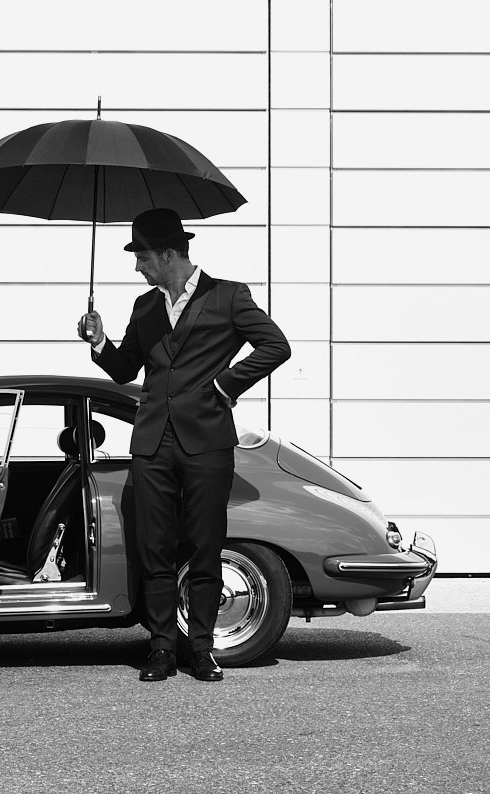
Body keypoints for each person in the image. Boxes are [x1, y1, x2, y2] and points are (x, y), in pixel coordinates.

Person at [78, 207, 290, 683]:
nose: (138, 267)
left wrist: (225, 386)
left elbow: (276, 346)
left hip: (207, 443)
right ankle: (160, 648)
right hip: (152, 443)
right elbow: (125, 369)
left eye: (143, 257)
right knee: (154, 549)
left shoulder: (229, 297)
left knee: (205, 547)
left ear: (169, 253)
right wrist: (99, 341)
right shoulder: (145, 307)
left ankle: (202, 649)